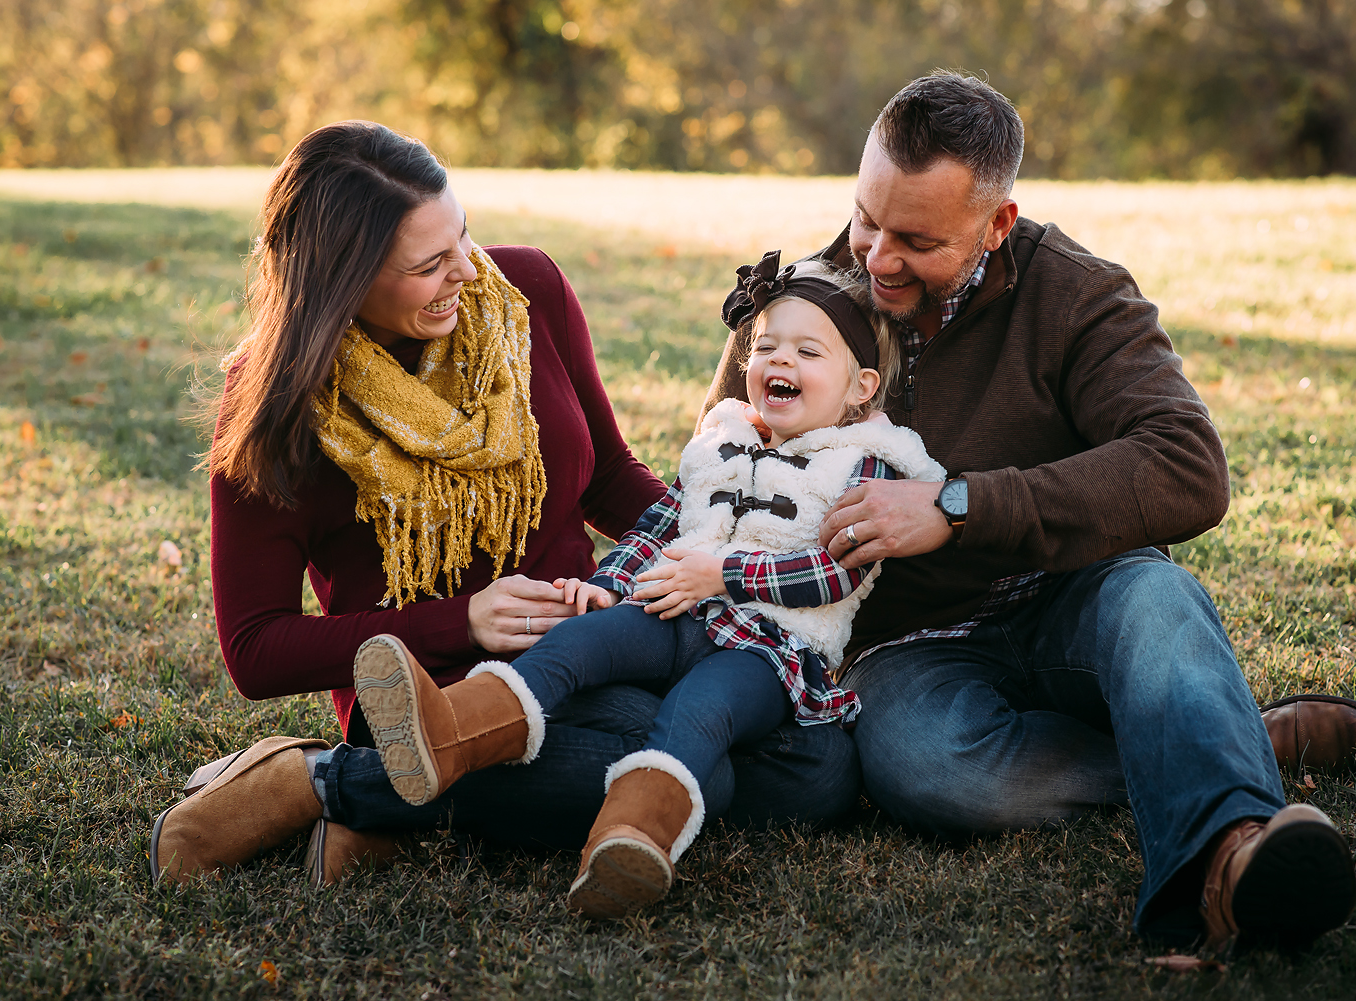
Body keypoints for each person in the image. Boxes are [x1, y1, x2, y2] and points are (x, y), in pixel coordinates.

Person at [700, 73, 1356, 950]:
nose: (875, 259)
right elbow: (720, 475)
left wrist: (958, 504)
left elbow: (1189, 466)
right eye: (866, 219)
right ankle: (1230, 741)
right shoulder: (800, 306)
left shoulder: (1078, 294)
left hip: (1074, 591)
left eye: (917, 239)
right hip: (908, 644)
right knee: (929, 770)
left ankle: (1233, 852)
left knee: (1157, 604)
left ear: (997, 225)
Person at [148, 122, 861, 887]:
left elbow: (609, 476)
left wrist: (716, 559)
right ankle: (318, 777)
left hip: (588, 647)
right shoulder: (279, 404)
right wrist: (464, 618)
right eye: (429, 264)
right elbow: (255, 648)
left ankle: (377, 801)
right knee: (692, 778)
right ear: (344, 282)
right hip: (432, 688)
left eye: (463, 236)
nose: (466, 270)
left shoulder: (525, 295)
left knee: (813, 770)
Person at [350, 252, 945, 918]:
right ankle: (452, 729)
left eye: (808, 351)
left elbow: (835, 570)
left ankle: (630, 839)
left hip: (765, 652)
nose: (780, 361)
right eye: (766, 345)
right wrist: (608, 583)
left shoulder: (862, 466)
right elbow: (657, 523)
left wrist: (724, 572)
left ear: (861, 385)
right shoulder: (721, 441)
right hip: (672, 608)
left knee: (700, 710)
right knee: (580, 642)